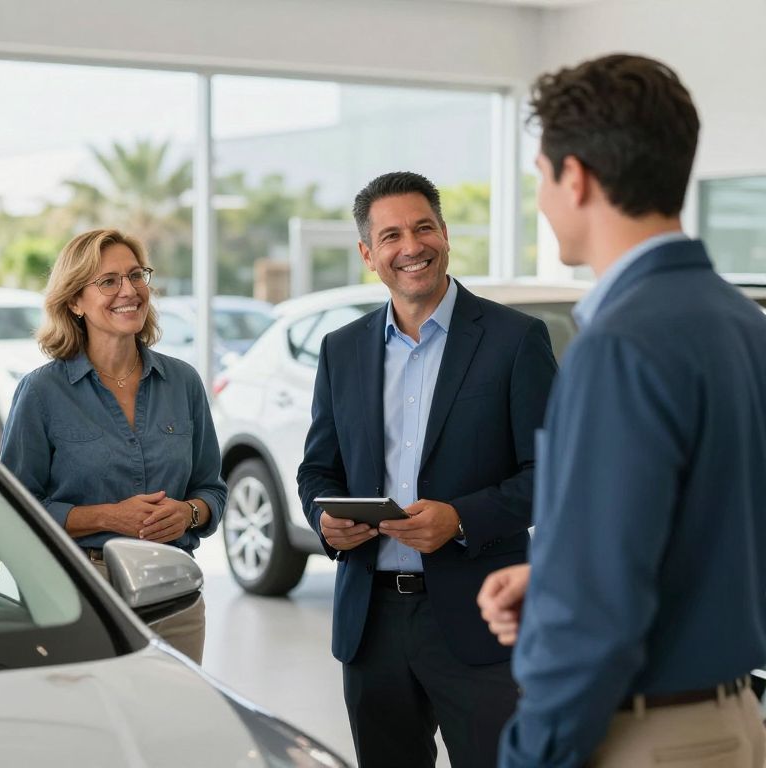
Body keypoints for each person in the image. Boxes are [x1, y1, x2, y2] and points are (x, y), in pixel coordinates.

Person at [477, 54, 766, 768]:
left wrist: (530, 754)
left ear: (575, 177)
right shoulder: (743, 323)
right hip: (736, 723)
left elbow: (596, 618)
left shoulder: (618, 344)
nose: (541, 198)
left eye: (540, 176)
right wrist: (556, 574)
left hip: (643, 737)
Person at [296, 171, 557, 767]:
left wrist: (462, 518)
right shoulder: (342, 348)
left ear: (444, 234)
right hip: (371, 622)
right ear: (368, 254)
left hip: (480, 620)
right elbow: (317, 470)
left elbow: (553, 475)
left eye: (423, 228)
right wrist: (326, 521)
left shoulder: (516, 340)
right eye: (390, 236)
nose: (410, 247)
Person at [0, 228, 226, 664]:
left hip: (174, 594)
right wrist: (106, 516)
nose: (130, 290)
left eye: (136, 275)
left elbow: (211, 490)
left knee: (171, 726)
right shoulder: (42, 392)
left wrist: (188, 513)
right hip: (83, 596)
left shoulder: (183, 382)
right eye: (108, 281)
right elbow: (15, 510)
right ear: (74, 302)